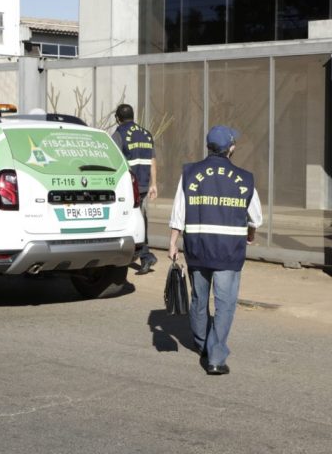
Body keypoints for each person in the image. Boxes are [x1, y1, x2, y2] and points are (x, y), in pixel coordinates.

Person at [168, 125, 263, 375]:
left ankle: (202, 345)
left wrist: (172, 241)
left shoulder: (190, 173)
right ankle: (215, 358)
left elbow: (180, 210)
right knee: (225, 304)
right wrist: (250, 233)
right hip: (228, 251)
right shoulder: (244, 177)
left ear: (208, 147)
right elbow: (255, 216)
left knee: (199, 299)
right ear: (231, 148)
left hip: (198, 247)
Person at [112, 103, 158, 275]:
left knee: (133, 221)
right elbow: (153, 160)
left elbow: (114, 161)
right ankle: (144, 255)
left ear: (117, 118)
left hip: (129, 187)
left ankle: (145, 256)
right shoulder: (146, 134)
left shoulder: (119, 134)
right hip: (144, 184)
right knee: (140, 219)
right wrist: (154, 184)